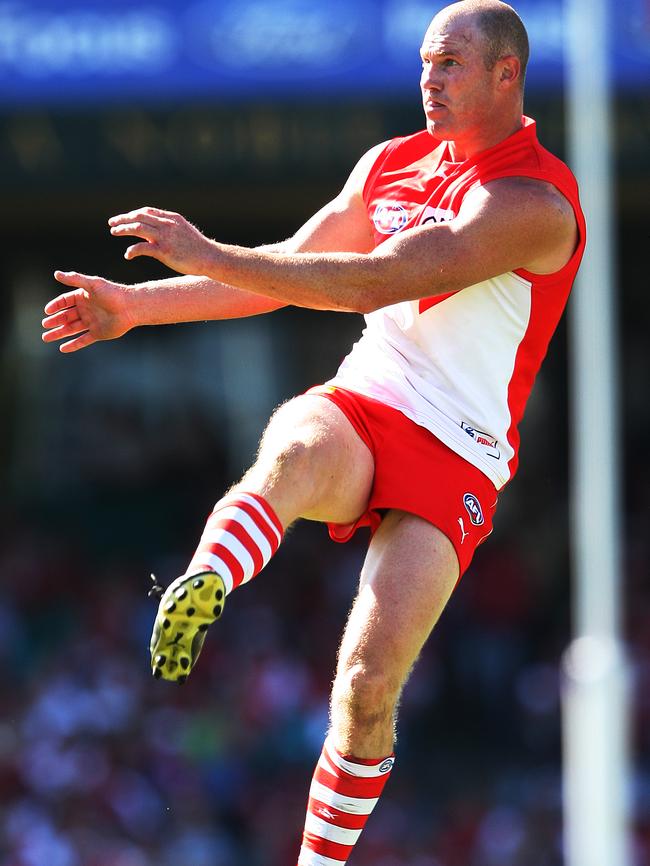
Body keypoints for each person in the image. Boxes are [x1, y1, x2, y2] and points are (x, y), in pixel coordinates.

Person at [42, 1, 585, 863]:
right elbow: (290, 270)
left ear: (505, 74)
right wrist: (134, 308)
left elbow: (381, 279)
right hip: (372, 400)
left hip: (464, 453)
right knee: (294, 448)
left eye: (449, 64)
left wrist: (208, 251)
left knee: (368, 690)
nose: (428, 81)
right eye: (424, 63)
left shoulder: (532, 200)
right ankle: (208, 578)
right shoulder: (391, 164)